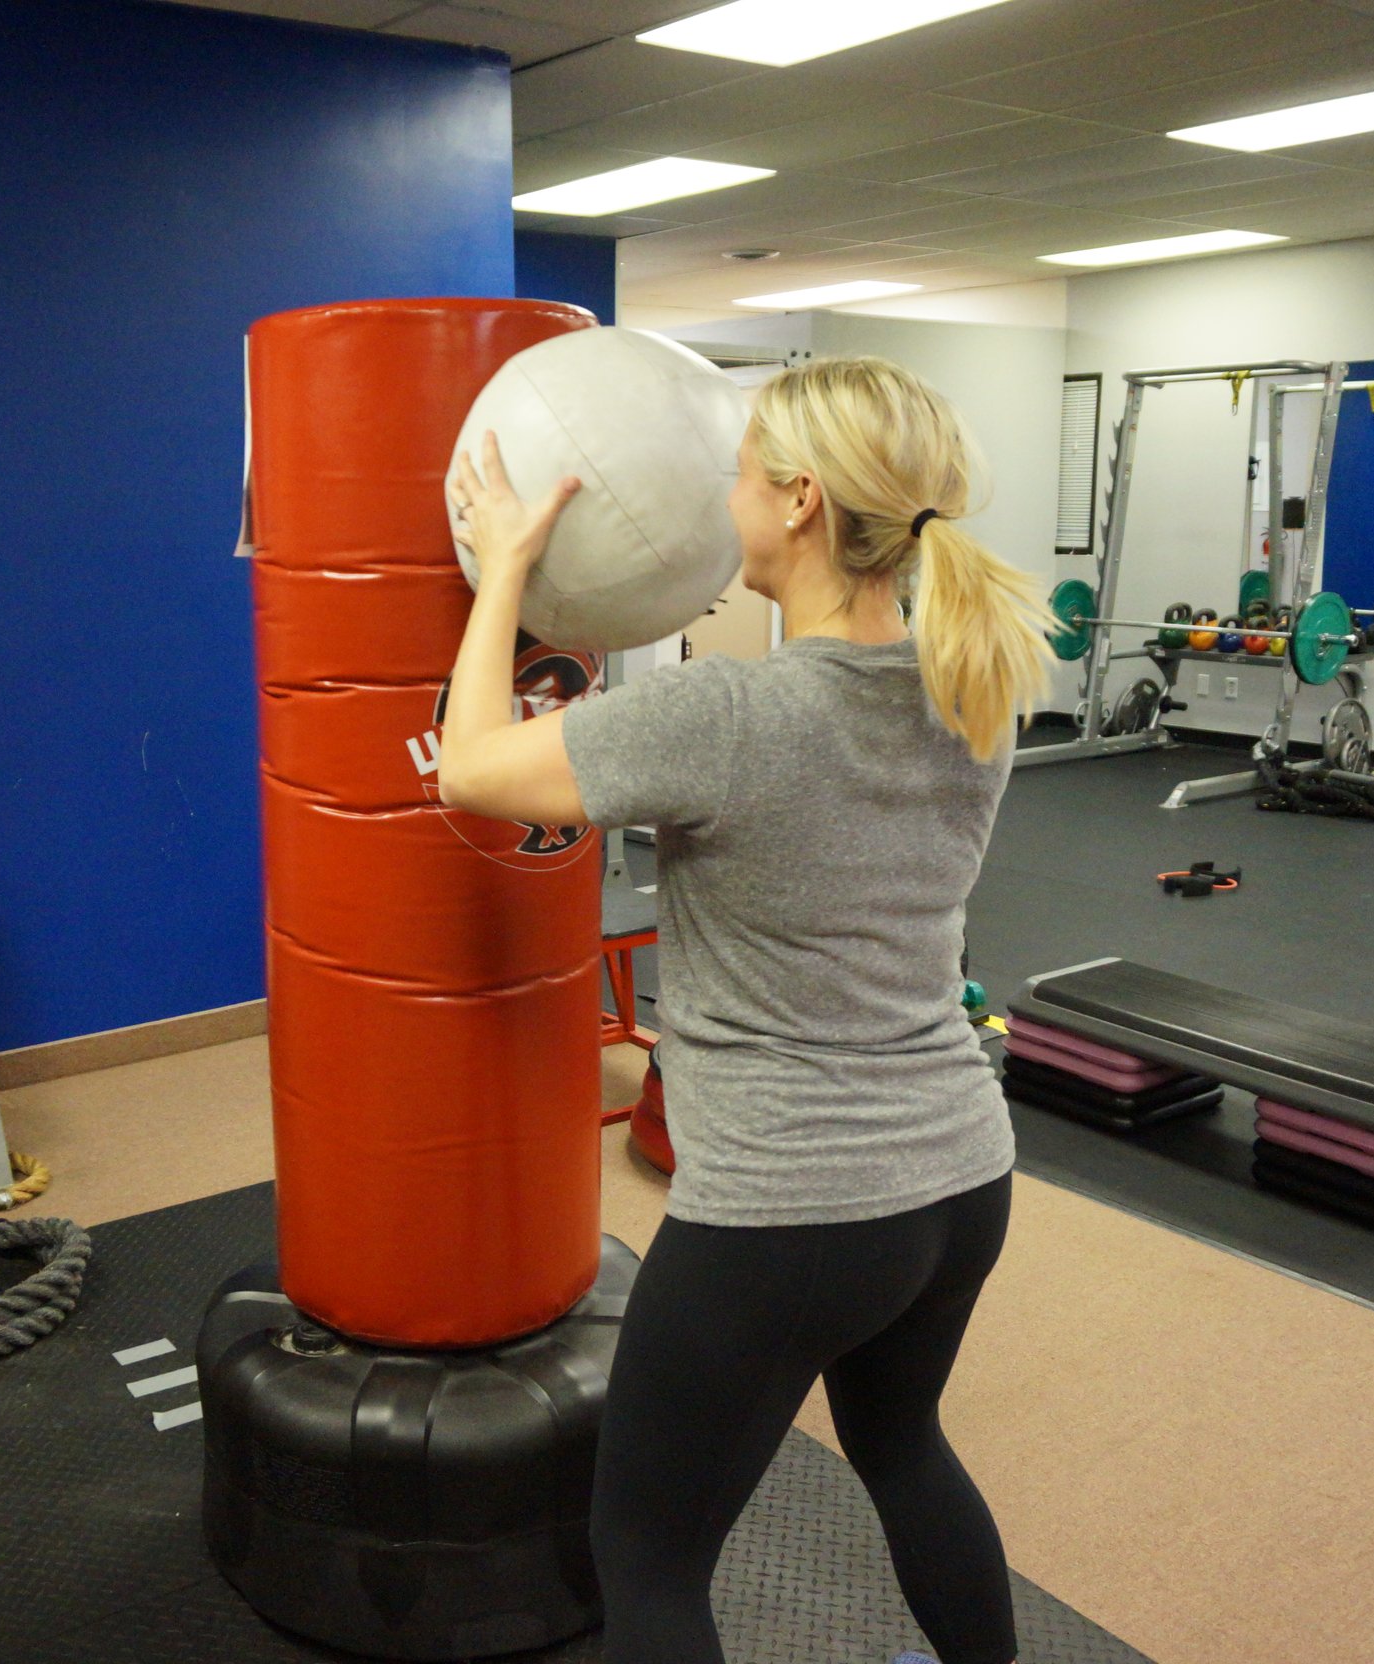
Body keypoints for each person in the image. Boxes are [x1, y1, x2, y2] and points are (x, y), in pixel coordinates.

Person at [441, 356, 1053, 1664]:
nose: (718, 496)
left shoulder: (727, 712)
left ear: (797, 503)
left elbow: (476, 771)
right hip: (958, 1180)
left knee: (647, 1559)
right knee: (902, 1447)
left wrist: (502, 568)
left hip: (794, 1211)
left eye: (735, 474)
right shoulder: (972, 692)